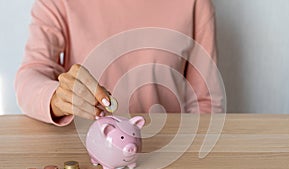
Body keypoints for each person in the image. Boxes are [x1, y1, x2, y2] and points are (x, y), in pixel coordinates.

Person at [15, 0, 224, 127]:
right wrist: (56, 98)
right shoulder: (58, 3)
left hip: (166, 151)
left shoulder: (195, 4)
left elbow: (206, 101)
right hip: (85, 152)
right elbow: (31, 74)